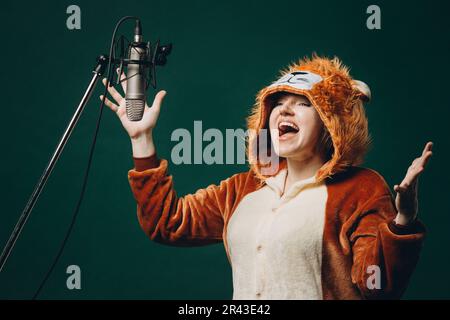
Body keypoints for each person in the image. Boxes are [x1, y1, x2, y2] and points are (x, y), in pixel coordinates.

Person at [100, 54, 433, 300]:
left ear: (332, 124)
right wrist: (141, 139)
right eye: (279, 103)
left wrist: (402, 222)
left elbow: (377, 288)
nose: (284, 110)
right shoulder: (243, 188)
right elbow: (167, 223)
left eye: (302, 103)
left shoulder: (361, 189)